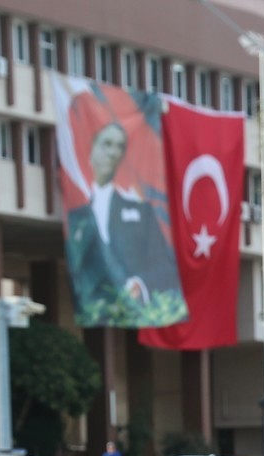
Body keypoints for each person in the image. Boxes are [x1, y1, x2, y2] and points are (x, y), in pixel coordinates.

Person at [64, 120, 182, 314]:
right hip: (94, 306)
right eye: (107, 144)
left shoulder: (141, 212)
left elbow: (164, 266)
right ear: (91, 150)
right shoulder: (77, 218)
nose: (112, 153)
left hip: (138, 309)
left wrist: (140, 285)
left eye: (119, 147)